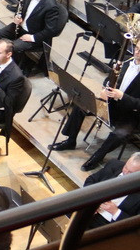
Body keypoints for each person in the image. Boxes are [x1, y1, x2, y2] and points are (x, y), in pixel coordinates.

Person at [51, 43, 140, 171]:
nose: (136, 52)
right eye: (136, 48)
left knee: (120, 133)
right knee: (82, 103)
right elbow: (109, 78)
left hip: (132, 114)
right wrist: (106, 87)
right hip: (112, 104)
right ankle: (70, 140)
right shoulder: (126, 60)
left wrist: (122, 96)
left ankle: (98, 156)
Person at [0, 0, 65, 68]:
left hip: (35, 35)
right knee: (2, 33)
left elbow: (50, 31)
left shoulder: (51, 6)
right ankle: (5, 59)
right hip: (21, 26)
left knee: (14, 47)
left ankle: (15, 67)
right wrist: (17, 17)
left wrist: (32, 37)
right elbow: (21, 9)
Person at [82, 153, 140, 229]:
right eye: (126, 167)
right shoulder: (114, 165)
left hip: (109, 224)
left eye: (131, 172)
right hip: (89, 209)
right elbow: (91, 180)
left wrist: (115, 211)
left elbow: (136, 225)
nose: (125, 172)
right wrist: (92, 200)